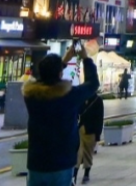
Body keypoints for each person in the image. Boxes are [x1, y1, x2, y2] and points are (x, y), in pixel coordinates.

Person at [23, 43, 99, 186]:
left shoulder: (31, 96)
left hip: (36, 162)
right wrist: (85, 58)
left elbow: (44, 78)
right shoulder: (69, 95)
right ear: (60, 74)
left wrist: (62, 62)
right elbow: (93, 83)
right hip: (62, 162)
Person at [73, 92, 103, 184]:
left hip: (91, 131)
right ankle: (74, 175)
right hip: (80, 130)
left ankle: (86, 174)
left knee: (88, 154)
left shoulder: (97, 100)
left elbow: (99, 118)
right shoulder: (82, 99)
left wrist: (97, 134)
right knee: (78, 153)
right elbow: (78, 112)